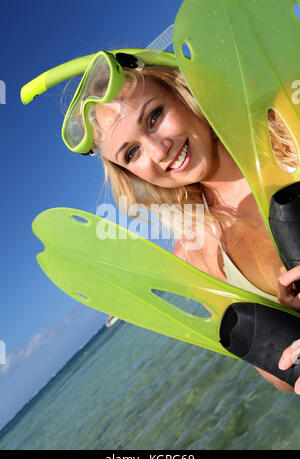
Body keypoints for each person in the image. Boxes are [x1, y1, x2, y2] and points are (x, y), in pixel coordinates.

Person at [23, 49, 300, 393]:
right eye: (132, 152)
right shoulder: (195, 254)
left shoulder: (288, 127)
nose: (159, 149)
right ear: (129, 173)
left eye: (153, 117)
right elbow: (279, 376)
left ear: (179, 92)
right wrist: (290, 327)